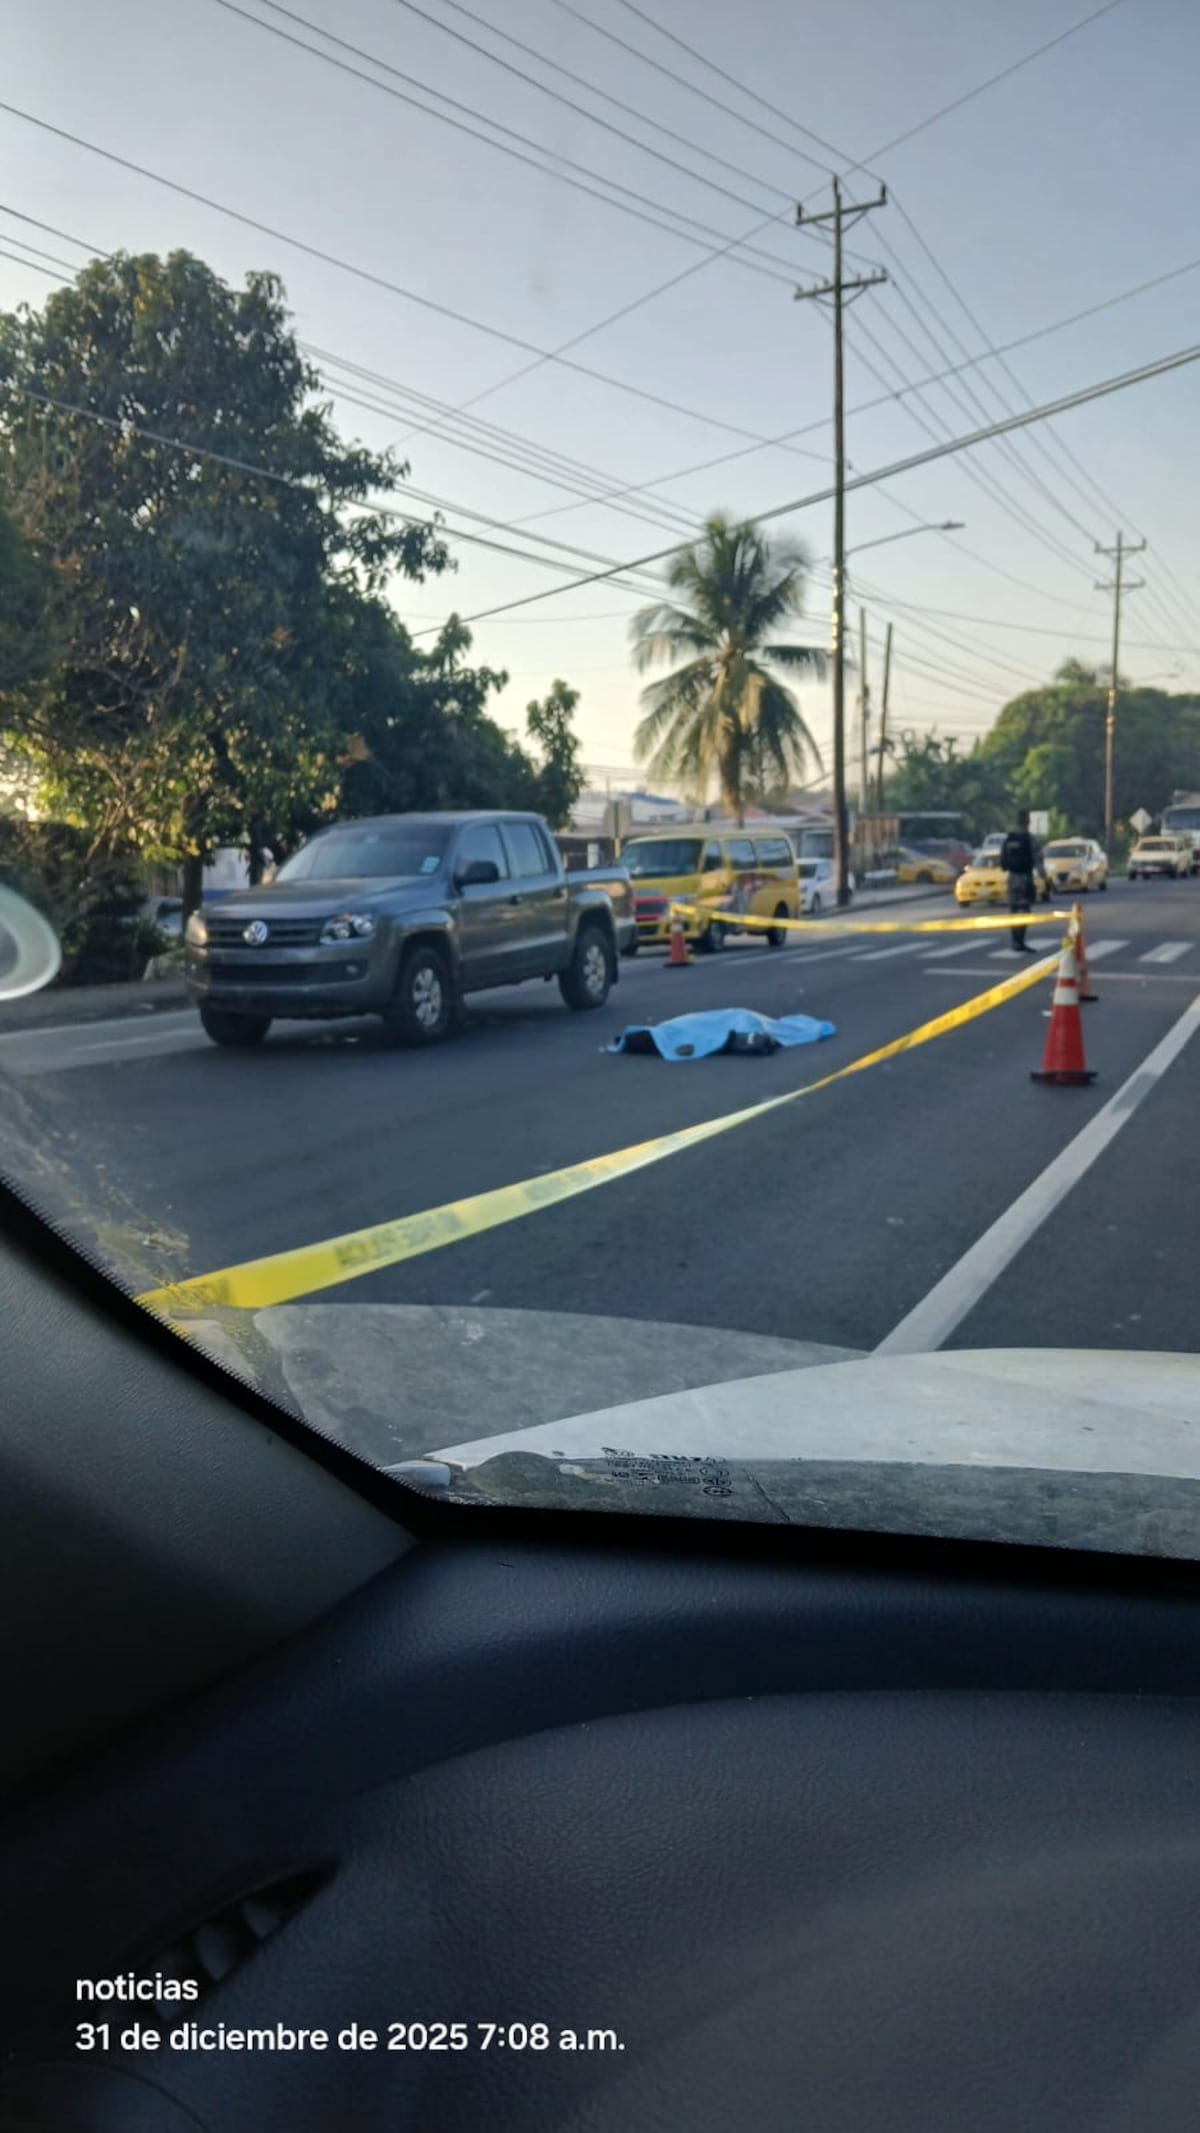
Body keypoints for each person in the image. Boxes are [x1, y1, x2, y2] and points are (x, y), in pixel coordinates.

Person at [1001, 809, 1038, 952]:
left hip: (1012, 878)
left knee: (1013, 909)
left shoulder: (1009, 839)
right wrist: (1044, 878)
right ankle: (1020, 941)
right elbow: (1037, 859)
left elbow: (1003, 862)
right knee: (1024, 910)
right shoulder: (1029, 839)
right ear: (1028, 821)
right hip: (1025, 877)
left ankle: (1014, 940)